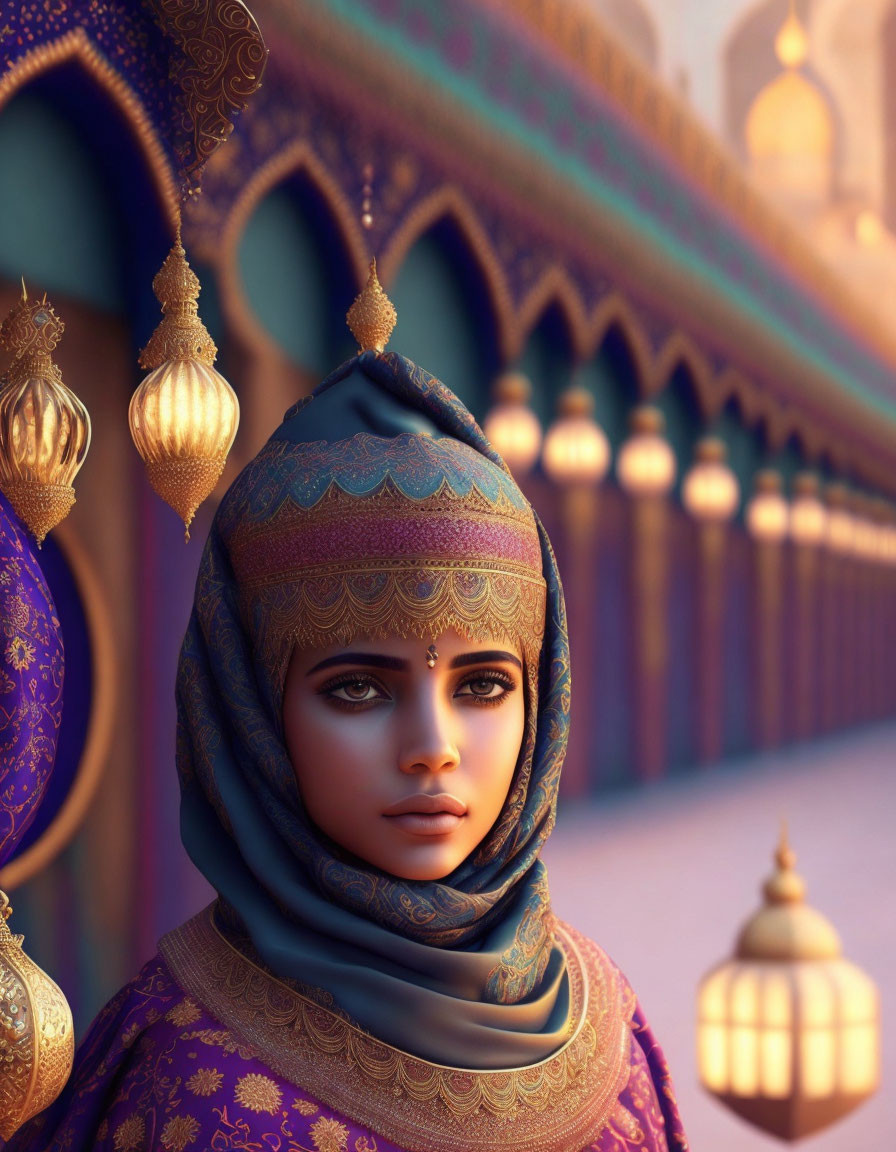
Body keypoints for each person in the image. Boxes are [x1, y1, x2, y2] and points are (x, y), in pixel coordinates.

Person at [5, 337, 688, 1151]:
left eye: (481, 686)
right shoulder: (185, 1083)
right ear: (252, 710)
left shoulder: (610, 1032)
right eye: (358, 689)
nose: (433, 749)